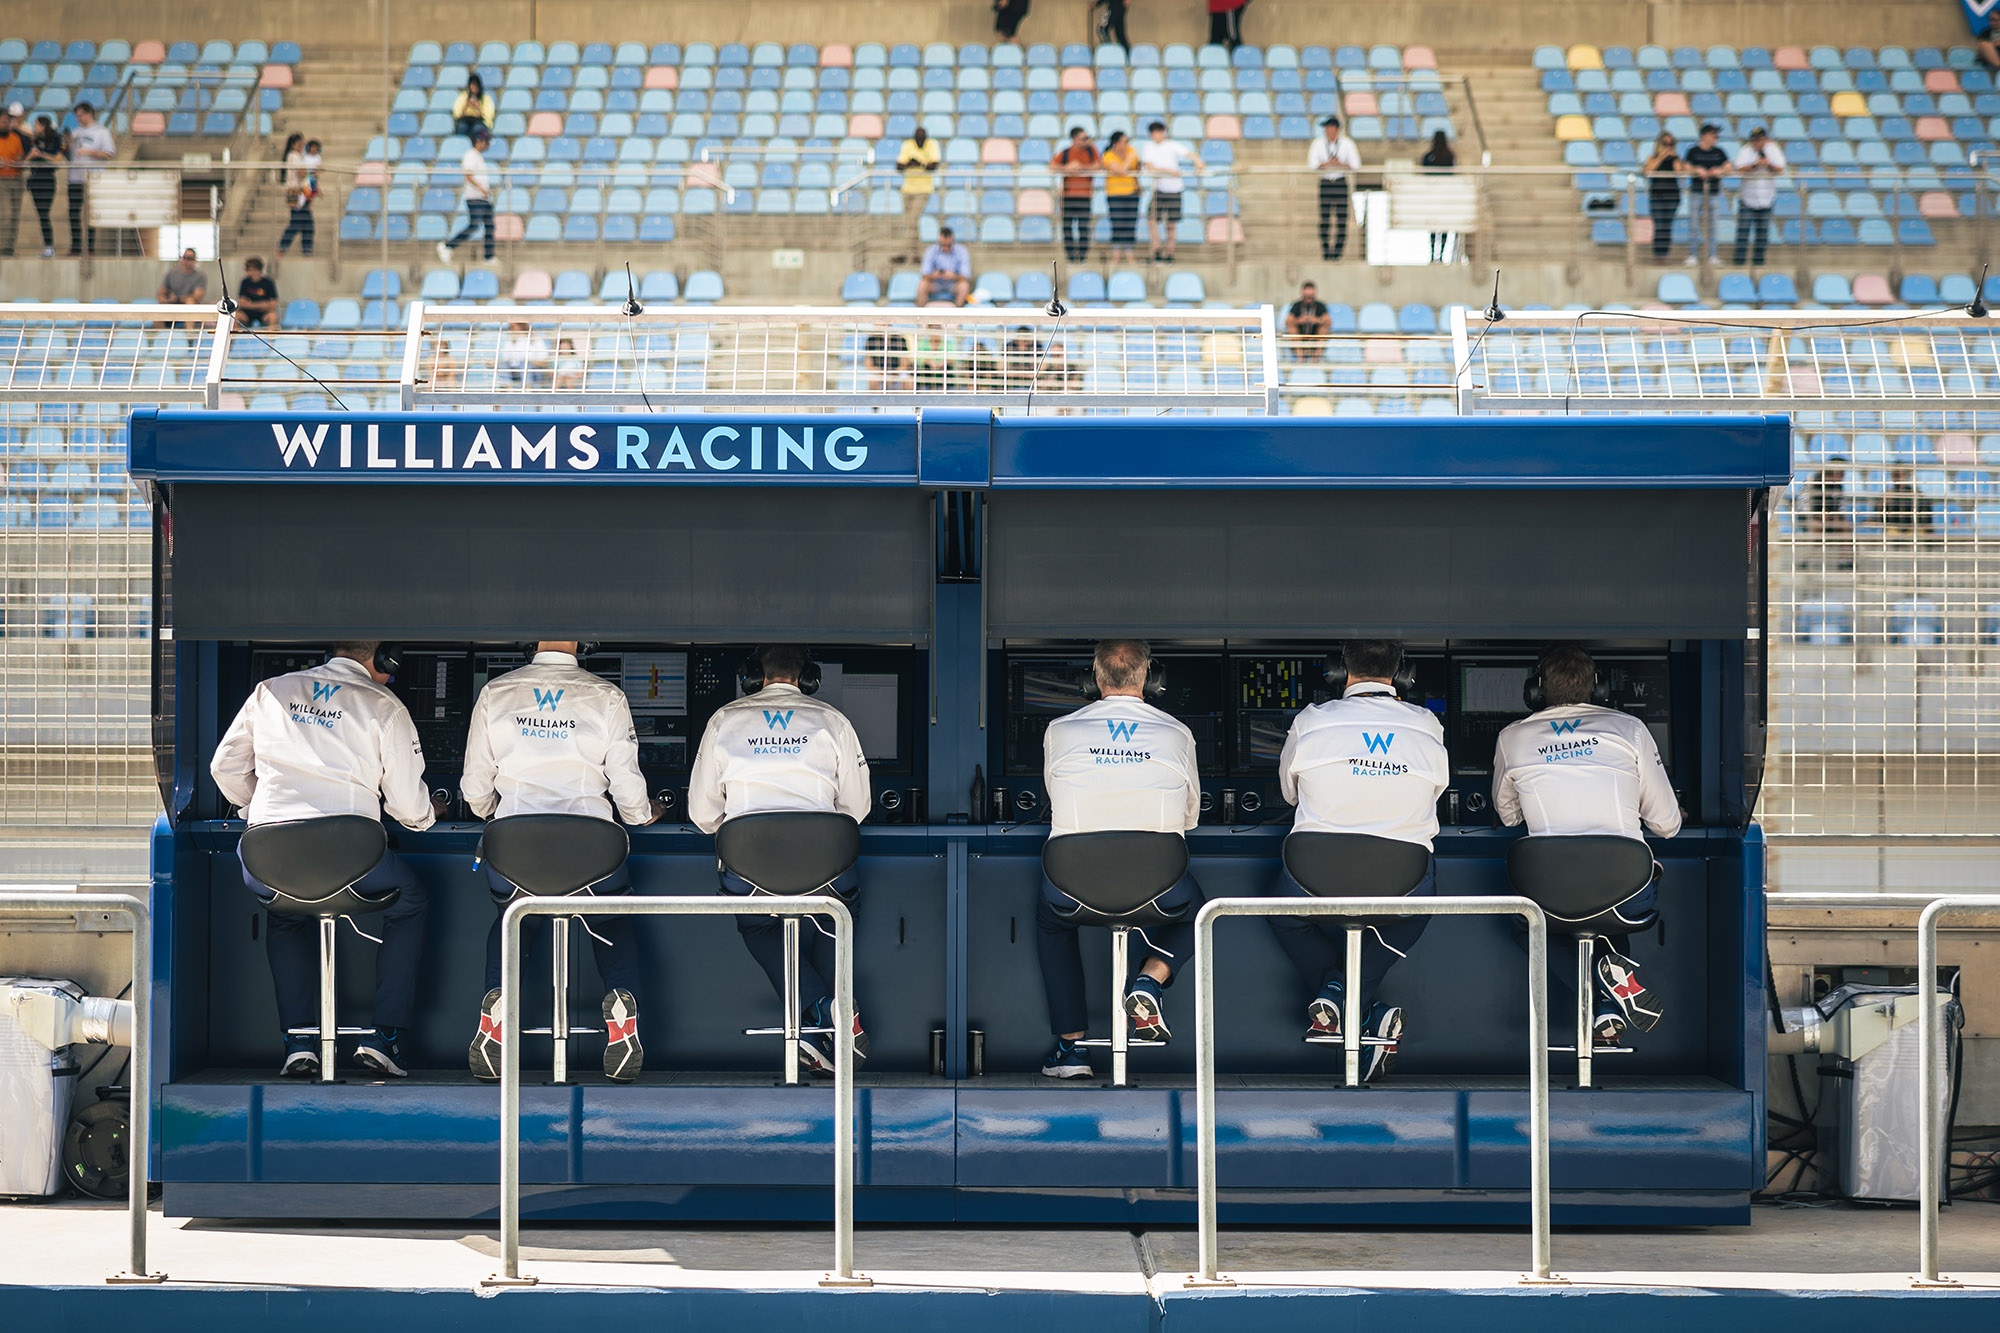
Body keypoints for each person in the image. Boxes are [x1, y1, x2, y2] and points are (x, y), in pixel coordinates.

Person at [209, 641, 443, 1079]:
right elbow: (409, 810)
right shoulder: (383, 705)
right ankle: (384, 1037)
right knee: (411, 903)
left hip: (268, 860)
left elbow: (224, 767)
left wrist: (257, 809)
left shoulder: (270, 691)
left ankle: (299, 1042)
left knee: (287, 914)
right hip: (352, 861)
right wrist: (431, 815)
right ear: (384, 658)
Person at [461, 642, 668, 1085]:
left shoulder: (496, 692)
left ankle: (497, 1012)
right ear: (584, 644)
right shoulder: (606, 695)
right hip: (591, 853)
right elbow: (628, 790)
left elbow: (476, 791)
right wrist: (643, 814)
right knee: (612, 919)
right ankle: (621, 1015)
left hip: (516, 851)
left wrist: (494, 807)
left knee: (514, 915)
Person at [1266, 641, 1448, 1081]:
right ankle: (1357, 1003)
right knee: (1415, 908)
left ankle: (1337, 992)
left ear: (1338, 673)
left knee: (1285, 914)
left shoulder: (1311, 719)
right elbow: (1436, 791)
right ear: (1402, 676)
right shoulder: (1427, 723)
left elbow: (1289, 793)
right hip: (1400, 879)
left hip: (1314, 876)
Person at [689, 645, 874, 1077]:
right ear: (809, 678)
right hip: (826, 872)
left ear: (752, 676)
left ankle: (820, 1012)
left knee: (758, 923)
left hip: (751, 874)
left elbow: (703, 815)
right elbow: (857, 808)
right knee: (835, 918)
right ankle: (830, 1016)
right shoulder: (832, 721)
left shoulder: (724, 720)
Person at [1492, 646, 1680, 1049]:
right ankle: (1610, 991)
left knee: (1530, 923)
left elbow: (1507, 817)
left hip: (1550, 892)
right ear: (1599, 687)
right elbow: (1667, 824)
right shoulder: (1629, 728)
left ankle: (1603, 1001)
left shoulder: (1513, 737)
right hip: (1624, 893)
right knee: (1608, 907)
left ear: (1535, 690)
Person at [1036, 639, 1206, 1078]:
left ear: (1094, 677)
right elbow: (1189, 818)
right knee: (1199, 909)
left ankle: (1072, 1050)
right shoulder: (1175, 732)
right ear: (1148, 675)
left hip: (1074, 891)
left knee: (1051, 921)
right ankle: (1151, 977)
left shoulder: (1060, 729)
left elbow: (1057, 797)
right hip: (1158, 890)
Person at [1138, 120, 1203, 264]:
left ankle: (1170, 252)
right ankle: (1157, 250)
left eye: (1162, 132)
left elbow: (1189, 154)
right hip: (1159, 189)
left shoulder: (1172, 145)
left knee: (1171, 224)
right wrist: (1169, 171)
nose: (1160, 135)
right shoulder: (1148, 147)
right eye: (1157, 132)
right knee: (1152, 220)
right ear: (1151, 134)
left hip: (1175, 189)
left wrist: (1197, 161)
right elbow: (1150, 168)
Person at [63, 102, 115, 256]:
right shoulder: (76, 132)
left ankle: (90, 247)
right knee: (74, 212)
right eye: (77, 116)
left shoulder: (102, 132)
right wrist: (67, 144)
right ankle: (76, 246)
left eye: (80, 115)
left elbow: (109, 153)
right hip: (75, 177)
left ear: (89, 114)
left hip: (93, 178)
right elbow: (71, 154)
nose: (78, 118)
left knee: (91, 213)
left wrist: (88, 152)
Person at [1730, 126, 1785, 268]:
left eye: (1760, 139)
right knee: (1743, 232)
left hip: (1766, 198)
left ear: (1765, 139)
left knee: (1762, 234)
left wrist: (1768, 165)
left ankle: (1758, 263)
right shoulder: (1745, 150)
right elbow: (1739, 169)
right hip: (1748, 198)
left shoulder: (1773, 150)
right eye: (1755, 139)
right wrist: (1755, 165)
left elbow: (1780, 168)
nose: (1757, 142)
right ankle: (1739, 262)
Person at [1308, 115, 1360, 263]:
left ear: (1336, 129)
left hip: (1340, 182)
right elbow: (1312, 164)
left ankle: (1337, 253)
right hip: (1325, 182)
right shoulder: (1318, 144)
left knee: (1341, 220)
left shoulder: (1347, 144)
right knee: (1324, 219)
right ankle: (1326, 252)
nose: (1327, 131)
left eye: (1330, 128)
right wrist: (1326, 164)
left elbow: (1356, 164)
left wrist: (1340, 165)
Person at [438, 126, 494, 262]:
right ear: (479, 141)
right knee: (474, 225)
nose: (488, 144)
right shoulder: (470, 155)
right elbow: (468, 175)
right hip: (475, 198)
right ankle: (447, 246)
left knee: (490, 226)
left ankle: (489, 257)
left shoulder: (478, 156)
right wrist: (481, 189)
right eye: (487, 141)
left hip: (484, 198)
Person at [1680, 123, 1729, 267]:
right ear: (1705, 135)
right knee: (1694, 225)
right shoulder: (1693, 151)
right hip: (1696, 193)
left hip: (1713, 193)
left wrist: (1718, 171)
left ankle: (1712, 255)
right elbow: (1685, 166)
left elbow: (1728, 166)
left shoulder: (1719, 151)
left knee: (1713, 225)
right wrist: (1697, 170)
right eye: (1714, 135)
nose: (1716, 138)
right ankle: (1693, 255)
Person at [1052, 126, 1101, 264]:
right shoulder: (1066, 153)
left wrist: (1081, 167)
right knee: (1067, 228)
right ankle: (1071, 256)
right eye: (1083, 138)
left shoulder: (1091, 152)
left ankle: (1082, 256)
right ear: (1074, 139)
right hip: (1068, 196)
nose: (1087, 141)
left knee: (1083, 228)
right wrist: (1067, 168)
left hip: (1084, 196)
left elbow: (1098, 166)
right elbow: (1052, 166)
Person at [894, 126, 940, 261]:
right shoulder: (907, 145)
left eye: (922, 140)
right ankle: (916, 254)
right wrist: (909, 163)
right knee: (911, 223)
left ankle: (905, 253)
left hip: (923, 189)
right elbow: (899, 166)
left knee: (912, 219)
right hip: (907, 189)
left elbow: (934, 165)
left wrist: (920, 164)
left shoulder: (932, 145)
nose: (920, 142)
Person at [1641, 132, 1683, 264]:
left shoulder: (1675, 159)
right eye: (1665, 144)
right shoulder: (1652, 158)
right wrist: (1660, 157)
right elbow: (1648, 171)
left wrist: (1674, 157)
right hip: (1657, 196)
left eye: (1671, 144)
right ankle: (1657, 254)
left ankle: (1664, 255)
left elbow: (1679, 173)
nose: (1668, 147)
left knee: (1667, 226)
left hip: (1672, 196)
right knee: (1659, 225)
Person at [1102, 130, 1140, 264]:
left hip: (1132, 193)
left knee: (1130, 224)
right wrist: (1129, 158)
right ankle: (1116, 257)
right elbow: (1121, 170)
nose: (1127, 144)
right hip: (1115, 194)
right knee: (1117, 224)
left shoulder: (1132, 151)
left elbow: (1136, 170)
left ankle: (1130, 256)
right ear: (1116, 143)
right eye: (1124, 141)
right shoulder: (1108, 156)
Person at [276, 133, 317, 257]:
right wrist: (312, 176)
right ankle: (284, 247)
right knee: (298, 222)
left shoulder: (294, 156)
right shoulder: (294, 156)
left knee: (305, 223)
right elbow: (301, 173)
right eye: (300, 144)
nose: (302, 146)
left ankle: (306, 250)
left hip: (297, 192)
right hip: (296, 192)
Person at [26, 112, 60, 257]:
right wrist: (32, 156)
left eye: (36, 124)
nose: (34, 127)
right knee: (41, 214)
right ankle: (48, 246)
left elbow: (59, 160)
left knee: (44, 213)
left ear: (43, 125)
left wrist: (41, 155)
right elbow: (25, 161)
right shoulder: (34, 140)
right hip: (35, 180)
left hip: (47, 180)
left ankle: (50, 246)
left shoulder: (56, 139)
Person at [1420, 129, 1454, 263]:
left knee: (1436, 227)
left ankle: (1435, 254)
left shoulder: (1433, 156)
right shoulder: (1447, 156)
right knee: (1440, 226)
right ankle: (1438, 255)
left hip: (1437, 196)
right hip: (1440, 196)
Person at [917, 225, 973, 306]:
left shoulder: (962, 251)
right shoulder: (931, 250)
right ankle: (921, 315)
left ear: (952, 241)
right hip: (935, 284)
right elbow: (924, 275)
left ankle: (958, 314)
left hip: (953, 284)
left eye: (948, 245)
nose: (945, 247)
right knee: (922, 284)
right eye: (943, 245)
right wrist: (934, 275)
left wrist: (953, 276)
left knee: (964, 286)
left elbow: (966, 276)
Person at [0, 105, 27, 258]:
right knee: (6, 214)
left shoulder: (15, 137)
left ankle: (10, 248)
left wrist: (19, 160)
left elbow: (20, 156)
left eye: (6, 122)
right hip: (1, 180)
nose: (5, 124)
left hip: (16, 179)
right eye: (2, 121)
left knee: (15, 215)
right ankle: (2, 248)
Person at [155, 247, 206, 327]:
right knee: (159, 307)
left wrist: (177, 298)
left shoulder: (199, 276)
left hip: (188, 306)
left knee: (190, 302)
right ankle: (159, 336)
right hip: (172, 305)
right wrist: (162, 297)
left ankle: (190, 335)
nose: (186, 261)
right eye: (184, 258)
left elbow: (197, 297)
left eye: (189, 258)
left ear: (195, 261)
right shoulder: (172, 274)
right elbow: (162, 290)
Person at [1284, 280, 1329, 358]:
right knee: (1292, 329)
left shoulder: (1320, 305)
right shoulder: (1297, 305)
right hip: (1300, 338)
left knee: (1323, 329)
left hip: (1315, 337)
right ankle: (1300, 357)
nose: (1308, 297)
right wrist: (1299, 320)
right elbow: (1287, 322)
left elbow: (1328, 322)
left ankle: (1316, 357)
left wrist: (1317, 320)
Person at [233, 256, 280, 328]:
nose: (246, 271)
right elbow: (242, 303)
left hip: (263, 313)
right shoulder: (245, 282)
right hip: (247, 313)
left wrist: (250, 304)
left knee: (273, 316)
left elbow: (273, 304)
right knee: (235, 316)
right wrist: (262, 304)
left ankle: (271, 338)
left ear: (256, 270)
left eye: (248, 269)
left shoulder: (268, 282)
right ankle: (233, 338)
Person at [452, 73, 494, 140]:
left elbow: (487, 117)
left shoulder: (485, 98)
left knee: (476, 129)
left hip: (480, 122)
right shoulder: (463, 97)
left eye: (475, 85)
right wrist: (466, 105)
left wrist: (478, 107)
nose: (473, 87)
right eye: (472, 85)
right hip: (465, 121)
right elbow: (457, 114)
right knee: (462, 127)